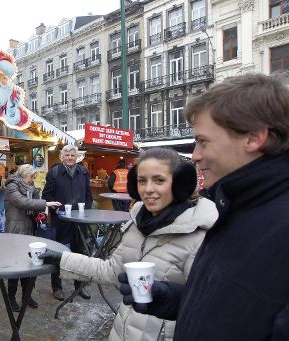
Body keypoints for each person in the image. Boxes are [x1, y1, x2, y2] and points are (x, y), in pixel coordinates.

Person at [119, 73, 289, 340]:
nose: (195, 155)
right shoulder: (236, 206)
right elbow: (237, 308)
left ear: (254, 137)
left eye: (203, 141)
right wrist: (175, 299)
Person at [40, 147, 217, 340]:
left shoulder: (202, 235)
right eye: (142, 180)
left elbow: (213, 311)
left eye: (159, 180)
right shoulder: (137, 223)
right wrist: (62, 259)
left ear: (179, 184)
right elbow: (111, 270)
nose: (148, 189)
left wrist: (176, 302)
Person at [3, 164, 61, 312]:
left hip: (29, 228)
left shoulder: (31, 188)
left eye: (34, 177)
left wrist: (41, 214)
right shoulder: (12, 187)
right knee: (15, 265)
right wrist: (45, 204)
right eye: (31, 177)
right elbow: (21, 202)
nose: (32, 180)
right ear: (23, 174)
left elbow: (31, 206)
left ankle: (26, 296)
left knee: (28, 263)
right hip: (15, 229)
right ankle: (11, 298)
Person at [41, 145, 93, 301]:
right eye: (67, 155)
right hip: (61, 220)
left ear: (77, 157)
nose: (70, 157)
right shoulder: (55, 173)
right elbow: (46, 195)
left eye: (73, 155)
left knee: (80, 254)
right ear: (61, 157)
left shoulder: (83, 172)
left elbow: (88, 195)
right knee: (58, 254)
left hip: (79, 221)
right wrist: (56, 210)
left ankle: (80, 287)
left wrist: (86, 211)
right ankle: (57, 288)